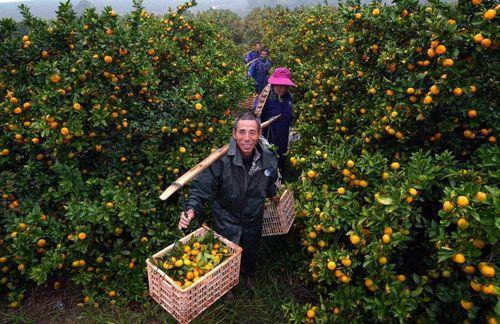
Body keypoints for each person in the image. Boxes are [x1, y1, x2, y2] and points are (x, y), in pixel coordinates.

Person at [179, 112, 280, 300]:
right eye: (242, 132)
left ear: (259, 134)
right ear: (234, 134)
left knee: (251, 250)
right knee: (225, 256)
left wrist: (273, 194)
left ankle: (247, 276)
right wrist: (192, 208)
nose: (247, 138)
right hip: (227, 218)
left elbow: (270, 178)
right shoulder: (221, 160)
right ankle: (226, 287)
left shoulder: (266, 156)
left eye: (252, 132)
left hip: (253, 217)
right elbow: (200, 188)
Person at [253, 67, 296, 172]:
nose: (283, 89)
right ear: (274, 84)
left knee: (281, 159)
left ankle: (280, 178)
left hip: (283, 138)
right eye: (280, 85)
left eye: (286, 86)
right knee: (267, 163)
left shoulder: (289, 97)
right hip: (267, 138)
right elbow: (256, 118)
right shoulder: (264, 98)